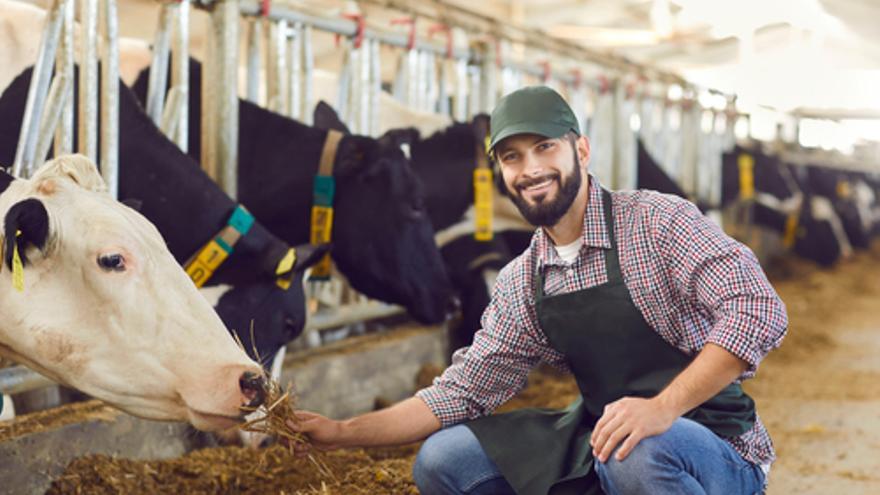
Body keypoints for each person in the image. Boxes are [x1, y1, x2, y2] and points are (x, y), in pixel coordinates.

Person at [286, 86, 787, 495]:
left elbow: (757, 310)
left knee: (635, 453)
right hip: (610, 441)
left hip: (714, 451)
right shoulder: (524, 278)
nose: (530, 170)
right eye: (512, 157)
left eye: (545, 147)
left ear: (581, 149)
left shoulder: (657, 221)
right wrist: (344, 432)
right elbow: (458, 394)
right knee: (444, 459)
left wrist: (662, 407)